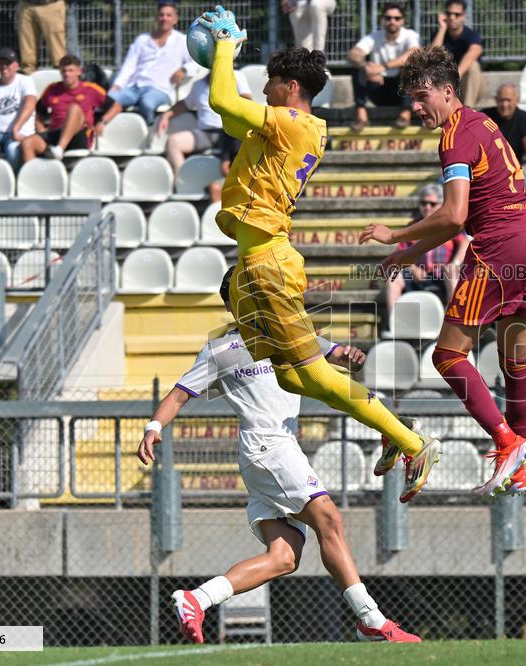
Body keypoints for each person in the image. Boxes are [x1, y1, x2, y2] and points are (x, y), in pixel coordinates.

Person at [197, 7, 441, 505]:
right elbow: (224, 110)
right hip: (251, 267)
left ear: (290, 88)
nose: (263, 90)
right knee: (287, 373)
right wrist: (217, 62)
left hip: (267, 261)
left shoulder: (293, 123)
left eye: (269, 82)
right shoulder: (287, 127)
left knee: (309, 373)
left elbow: (223, 98)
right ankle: (395, 427)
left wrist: (223, 46)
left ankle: (413, 441)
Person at [147, 268, 421, 645]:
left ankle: (196, 599)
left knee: (283, 557)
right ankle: (370, 620)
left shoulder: (289, 333)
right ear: (231, 304)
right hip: (267, 448)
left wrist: (348, 356)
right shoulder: (219, 350)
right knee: (329, 518)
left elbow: (335, 354)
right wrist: (153, 428)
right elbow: (178, 395)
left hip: (271, 454)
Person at [360, 46, 526, 497]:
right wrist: (411, 255)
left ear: (449, 92)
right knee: (514, 357)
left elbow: (453, 215)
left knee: (446, 356)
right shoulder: (482, 123)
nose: (416, 105)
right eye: (411, 97)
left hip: (502, 245)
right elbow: (461, 217)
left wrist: (396, 236)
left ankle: (506, 442)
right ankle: (519, 461)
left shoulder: (453, 137)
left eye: (422, 95)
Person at [96, 1, 195, 130]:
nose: (164, 18)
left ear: (175, 19)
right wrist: (118, 84)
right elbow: (129, 66)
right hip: (134, 87)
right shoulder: (142, 40)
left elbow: (197, 62)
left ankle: (149, 133)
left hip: (160, 90)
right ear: (156, 17)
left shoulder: (182, 41)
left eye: (168, 15)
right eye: (161, 15)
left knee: (147, 103)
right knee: (110, 98)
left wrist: (184, 69)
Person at [385, 184, 469, 317]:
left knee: (452, 272)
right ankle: (395, 324)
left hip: (443, 274)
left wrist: (455, 263)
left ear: (441, 205)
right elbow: (399, 252)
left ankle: (455, 321)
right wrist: (413, 269)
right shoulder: (412, 226)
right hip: (419, 274)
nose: (427, 207)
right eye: (423, 203)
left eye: (432, 203)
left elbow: (465, 243)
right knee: (393, 278)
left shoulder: (449, 224)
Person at [157, 72, 251, 177]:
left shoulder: (237, 77)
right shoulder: (198, 85)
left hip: (231, 133)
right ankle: (182, 183)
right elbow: (184, 104)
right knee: (173, 142)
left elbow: (247, 100)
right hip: (206, 133)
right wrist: (166, 115)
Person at [20, 54, 108, 162]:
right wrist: (41, 129)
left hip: (79, 135)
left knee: (74, 108)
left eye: (71, 71)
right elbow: (38, 111)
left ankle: (59, 149)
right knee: (27, 143)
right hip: (55, 134)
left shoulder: (90, 89)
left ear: (79, 72)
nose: (67, 74)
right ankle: (32, 177)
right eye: (64, 71)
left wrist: (102, 122)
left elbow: (116, 106)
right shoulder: (52, 89)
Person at [347, 3, 420, 131]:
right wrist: (366, 67)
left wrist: (382, 67)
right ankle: (361, 115)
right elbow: (353, 54)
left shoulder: (410, 35)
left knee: (412, 66)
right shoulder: (374, 37)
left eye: (397, 18)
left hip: (402, 91)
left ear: (403, 21)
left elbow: (414, 53)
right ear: (382, 20)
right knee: (358, 67)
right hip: (378, 87)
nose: (392, 21)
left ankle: (405, 113)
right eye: (388, 18)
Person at [482, 83, 526, 195]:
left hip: (513, 173)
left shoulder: (523, 118)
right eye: (501, 100)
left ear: (517, 100)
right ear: (496, 100)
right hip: (485, 173)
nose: (504, 104)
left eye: (508, 100)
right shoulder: (485, 116)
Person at [429, 0, 485, 108]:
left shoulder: (472, 36)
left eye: (457, 14)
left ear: (464, 16)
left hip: (465, 85)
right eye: (449, 14)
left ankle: (468, 110)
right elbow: (432, 56)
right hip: (445, 84)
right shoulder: (439, 35)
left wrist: (455, 77)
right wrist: (442, 29)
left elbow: (473, 53)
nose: (452, 17)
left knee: (473, 66)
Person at [17, 0, 67, 75]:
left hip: (51, 5)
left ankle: (62, 81)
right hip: (26, 6)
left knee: (58, 56)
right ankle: (27, 78)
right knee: (27, 59)